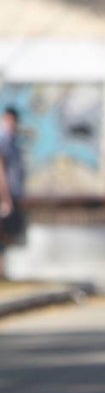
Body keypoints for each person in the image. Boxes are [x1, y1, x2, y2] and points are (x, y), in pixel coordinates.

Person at [0, 106, 26, 278]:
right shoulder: (3, 139)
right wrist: (5, 198)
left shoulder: (12, 140)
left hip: (10, 195)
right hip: (3, 196)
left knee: (6, 234)